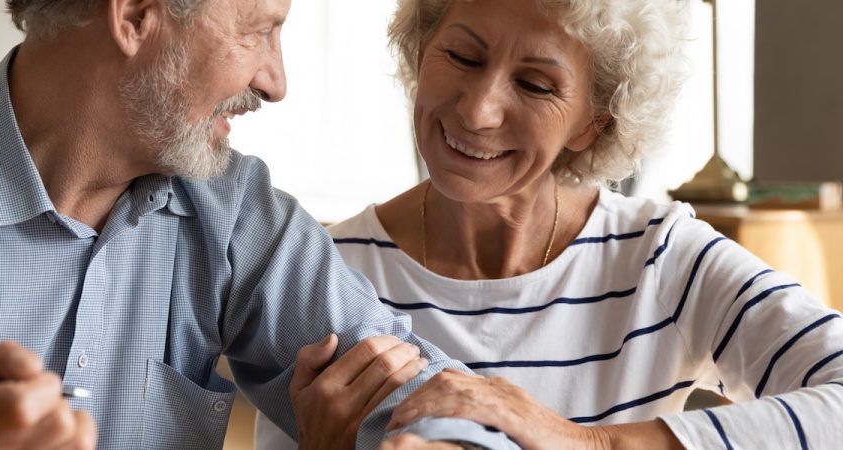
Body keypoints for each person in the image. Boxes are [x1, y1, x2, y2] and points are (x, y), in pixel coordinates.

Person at [0, 0, 520, 449]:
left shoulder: (231, 209)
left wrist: (435, 443)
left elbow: (421, 389)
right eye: (259, 31)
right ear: (136, 14)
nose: (276, 80)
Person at [257, 0, 843, 448]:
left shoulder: (661, 258)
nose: (478, 110)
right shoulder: (323, 270)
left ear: (593, 122)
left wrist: (590, 442)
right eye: (462, 57)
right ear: (420, 48)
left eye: (535, 85)